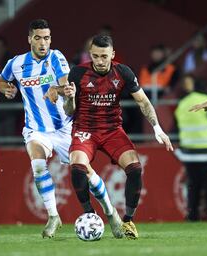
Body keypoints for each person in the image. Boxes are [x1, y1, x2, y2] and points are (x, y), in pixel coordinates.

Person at [63, 34, 174, 239]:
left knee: (135, 169)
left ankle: (128, 221)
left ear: (112, 54)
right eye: (95, 56)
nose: (100, 61)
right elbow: (69, 111)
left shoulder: (123, 72)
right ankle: (90, 214)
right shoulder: (78, 73)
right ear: (91, 55)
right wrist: (69, 98)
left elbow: (143, 101)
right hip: (85, 129)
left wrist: (157, 128)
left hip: (113, 130)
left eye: (104, 56)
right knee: (77, 166)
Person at [0, 19, 96, 238]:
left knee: (87, 171)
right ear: (30, 39)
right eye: (39, 38)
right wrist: (7, 89)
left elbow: (66, 86)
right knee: (38, 164)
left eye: (47, 38)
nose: (44, 43)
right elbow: (1, 81)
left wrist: (56, 89)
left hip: (63, 128)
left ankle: (111, 214)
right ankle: (53, 216)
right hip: (36, 129)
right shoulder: (16, 63)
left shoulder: (56, 57)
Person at [174, 75, 207, 221]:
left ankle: (192, 217)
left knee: (193, 186)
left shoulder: (182, 103)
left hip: (189, 154)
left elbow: (175, 129)